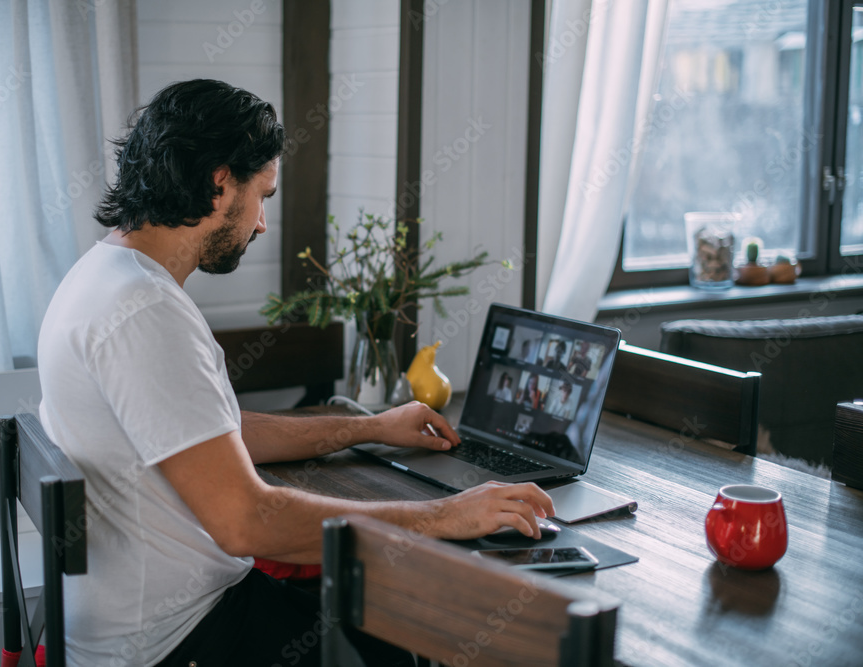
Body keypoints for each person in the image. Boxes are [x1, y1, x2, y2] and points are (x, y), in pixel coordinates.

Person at [36, 80, 554, 667]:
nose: (261, 224)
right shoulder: (144, 311)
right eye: (264, 196)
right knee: (412, 640)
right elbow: (245, 521)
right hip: (172, 640)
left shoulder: (105, 274)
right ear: (220, 180)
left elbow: (216, 433)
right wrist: (446, 515)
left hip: (142, 619)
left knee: (386, 630)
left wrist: (369, 427)